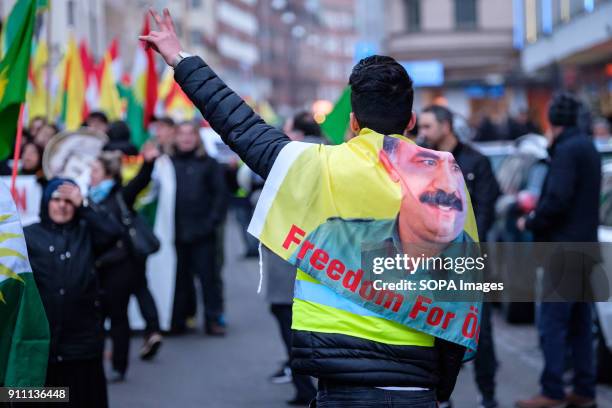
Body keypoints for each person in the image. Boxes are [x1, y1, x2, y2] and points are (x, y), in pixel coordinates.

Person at [140, 9, 473, 406]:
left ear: (352, 122)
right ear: (412, 120)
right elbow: (460, 288)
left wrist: (181, 59)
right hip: (416, 383)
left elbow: (241, 127)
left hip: (339, 382)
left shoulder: (318, 165)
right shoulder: (444, 177)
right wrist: (441, 385)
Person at [516, 93, 601, 408]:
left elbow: (557, 199)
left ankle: (552, 392)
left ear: (552, 120)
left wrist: (532, 221)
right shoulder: (588, 147)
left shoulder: (566, 151)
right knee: (580, 323)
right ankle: (584, 389)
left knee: (553, 323)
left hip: (562, 248)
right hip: (585, 247)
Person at [419, 105, 501, 408]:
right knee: (435, 330)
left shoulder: (475, 162)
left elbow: (486, 210)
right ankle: (441, 395)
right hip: (432, 262)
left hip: (468, 261)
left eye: (428, 127)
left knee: (481, 331)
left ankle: (488, 395)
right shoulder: (422, 162)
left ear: (446, 125)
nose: (423, 133)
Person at [24, 179, 122, 408]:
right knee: (27, 397)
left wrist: (85, 205)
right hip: (41, 347)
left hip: (81, 345)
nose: (62, 205)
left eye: (68, 200)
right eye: (56, 199)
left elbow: (114, 233)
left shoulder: (87, 233)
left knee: (82, 400)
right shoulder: (28, 236)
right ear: (46, 202)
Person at [89, 144, 162, 382]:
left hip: (120, 267)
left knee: (118, 318)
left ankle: (119, 366)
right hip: (97, 268)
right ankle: (93, 364)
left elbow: (140, 181)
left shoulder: (120, 196)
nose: (90, 175)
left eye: (95, 171)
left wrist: (149, 163)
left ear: (108, 174)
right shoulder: (86, 200)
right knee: (96, 320)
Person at [170, 121, 228, 335]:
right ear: (175, 138)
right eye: (181, 134)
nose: (186, 138)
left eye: (190, 134)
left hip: (203, 232)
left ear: (197, 138)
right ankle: (179, 319)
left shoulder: (209, 163)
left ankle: (214, 319)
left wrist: (211, 222)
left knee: (209, 280)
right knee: (179, 279)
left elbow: (220, 196)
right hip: (176, 233)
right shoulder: (168, 163)